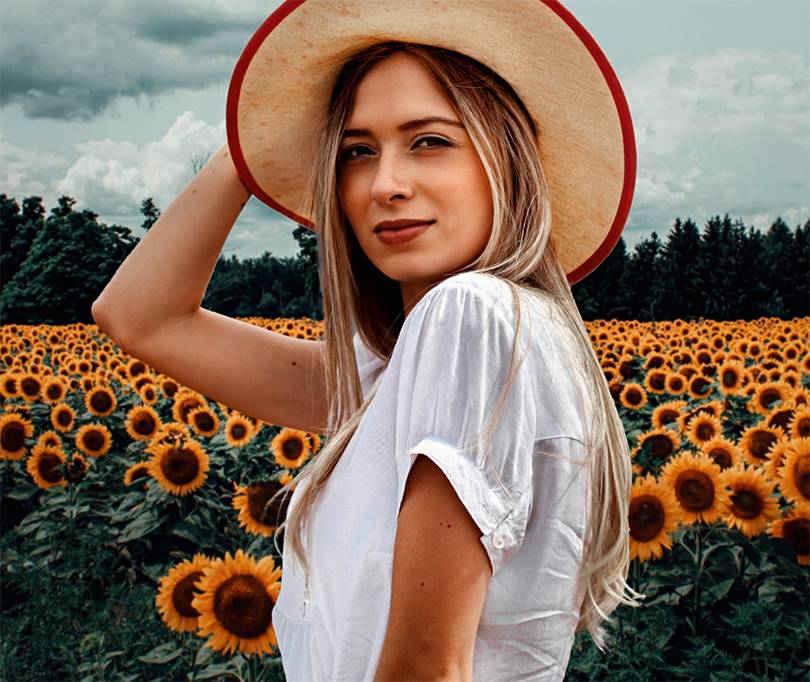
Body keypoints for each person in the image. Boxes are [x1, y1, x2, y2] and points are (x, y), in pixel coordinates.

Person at [93, 2, 644, 681]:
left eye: (430, 141)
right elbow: (140, 316)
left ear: (507, 158)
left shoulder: (468, 319)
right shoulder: (400, 367)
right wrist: (255, 135)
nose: (385, 185)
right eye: (356, 152)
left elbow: (424, 666)